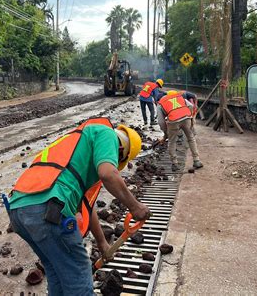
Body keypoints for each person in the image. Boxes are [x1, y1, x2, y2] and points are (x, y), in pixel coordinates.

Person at [8, 117, 151, 295]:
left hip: (18, 208)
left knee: (56, 270)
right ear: (121, 150)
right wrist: (135, 206)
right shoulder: (106, 133)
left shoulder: (75, 146)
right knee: (78, 271)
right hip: (48, 207)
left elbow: (86, 207)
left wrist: (102, 243)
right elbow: (108, 174)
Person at [157, 90, 203, 171]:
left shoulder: (160, 103)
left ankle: (174, 164)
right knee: (191, 138)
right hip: (186, 117)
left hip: (173, 121)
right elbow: (191, 106)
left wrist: (166, 133)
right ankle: (197, 160)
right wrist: (191, 118)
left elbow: (161, 122)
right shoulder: (179, 97)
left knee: (172, 141)